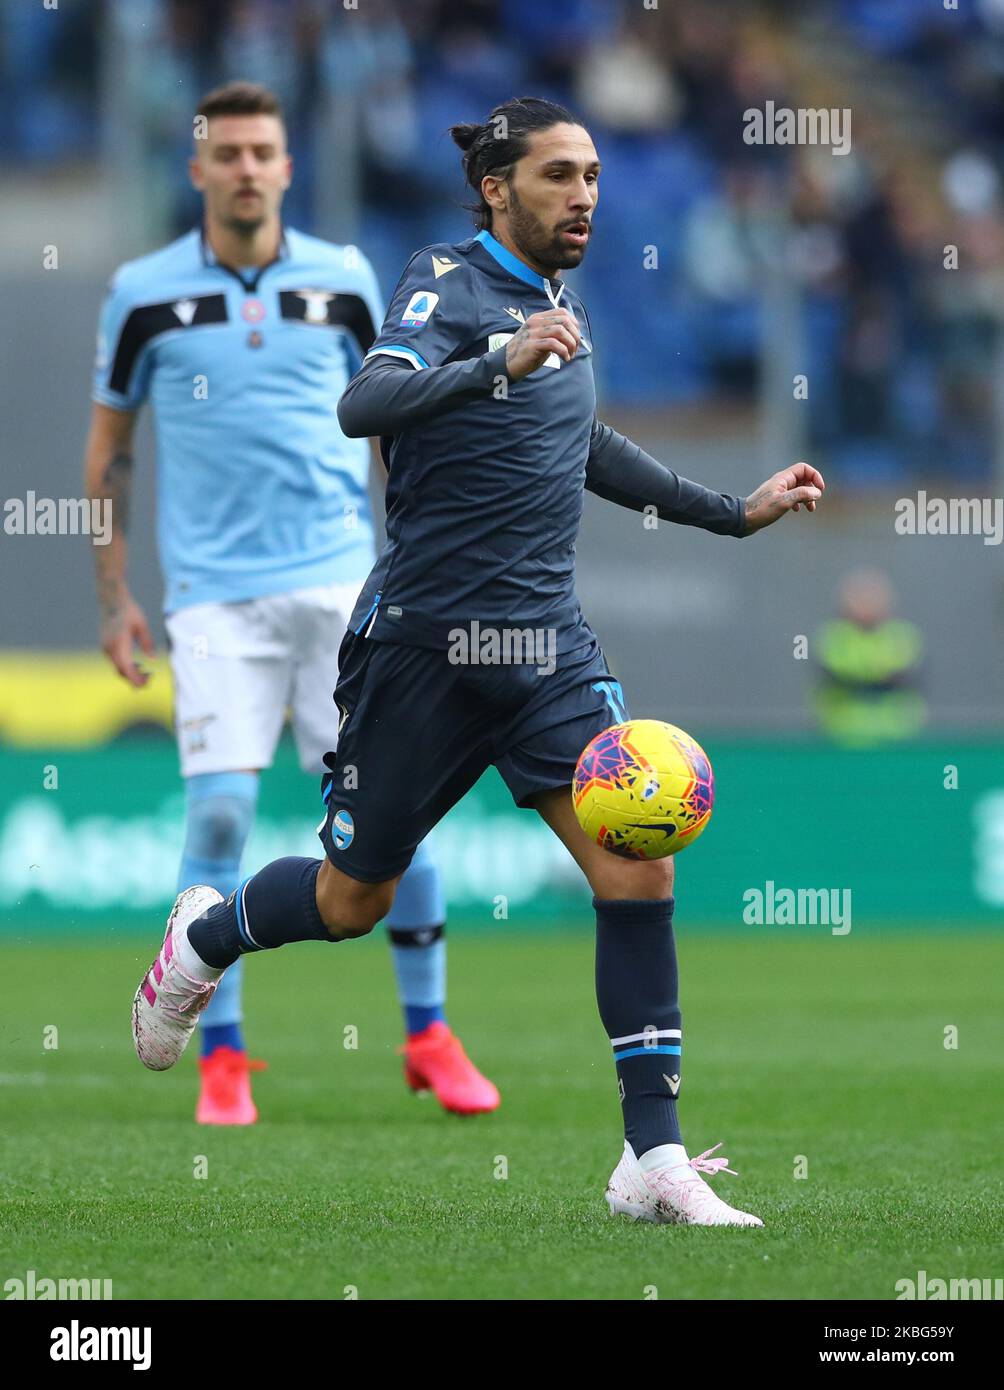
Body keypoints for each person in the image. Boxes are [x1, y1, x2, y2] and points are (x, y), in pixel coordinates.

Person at [131, 96, 825, 1225]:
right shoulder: (442, 282)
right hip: (423, 648)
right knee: (355, 899)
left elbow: (583, 441)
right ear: (498, 187)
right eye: (559, 175)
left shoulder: (557, 305)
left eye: (595, 174)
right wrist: (493, 362)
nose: (586, 195)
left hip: (548, 649)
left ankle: (651, 1158)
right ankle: (205, 934)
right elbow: (366, 401)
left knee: (634, 864)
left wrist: (726, 514)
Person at [88, 80, 499, 1126]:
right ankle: (223, 1056)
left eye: (261, 151)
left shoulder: (343, 277)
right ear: (197, 170)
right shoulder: (141, 292)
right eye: (224, 153)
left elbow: (395, 405)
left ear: (283, 163)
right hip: (215, 599)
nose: (244, 168)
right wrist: (113, 595)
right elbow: (110, 451)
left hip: (342, 587)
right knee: (221, 809)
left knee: (398, 809)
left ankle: (427, 1034)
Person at [814, 569, 924, 746]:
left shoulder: (902, 634)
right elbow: (833, 678)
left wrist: (865, 681)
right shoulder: (834, 636)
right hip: (842, 737)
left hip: (895, 736)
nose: (866, 604)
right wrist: (875, 681)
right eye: (860, 598)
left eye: (873, 598)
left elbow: (905, 679)